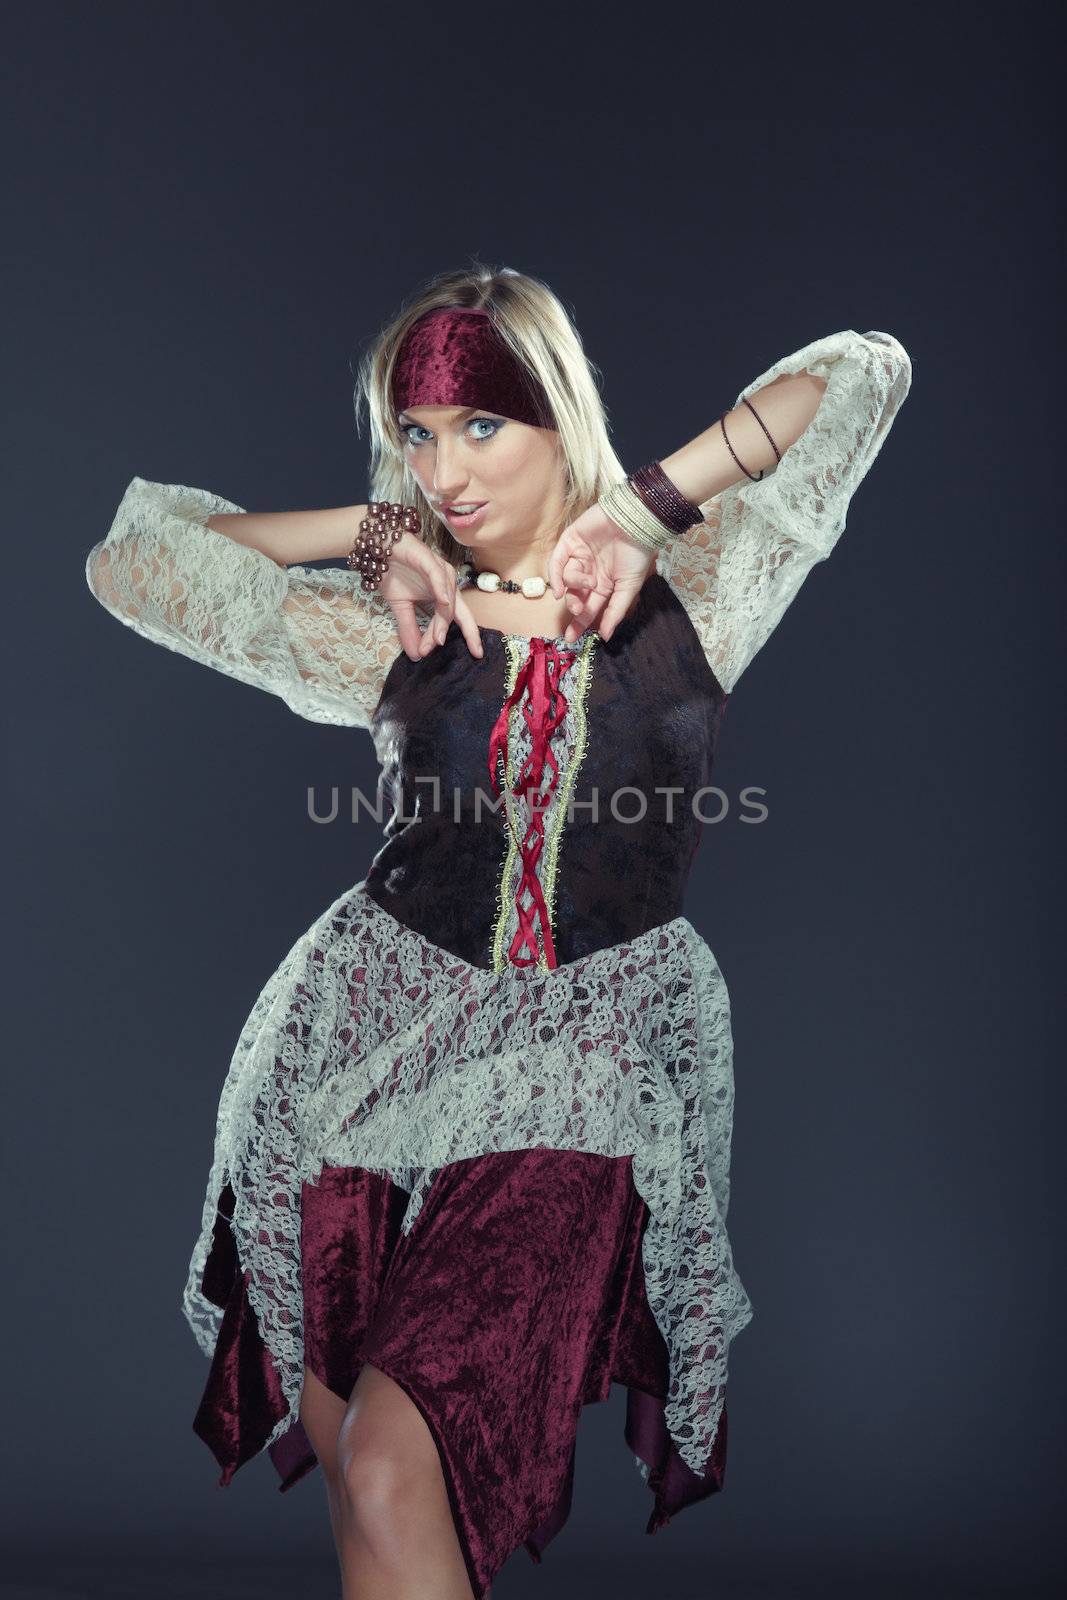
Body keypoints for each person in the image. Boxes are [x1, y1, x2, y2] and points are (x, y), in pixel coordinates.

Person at [84, 264, 912, 1600]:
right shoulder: (404, 621)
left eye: (480, 425)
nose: (445, 467)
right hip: (358, 1059)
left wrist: (649, 505)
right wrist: (370, 533)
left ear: (555, 416)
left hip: (583, 1067)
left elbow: (865, 372)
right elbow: (132, 566)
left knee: (402, 1467)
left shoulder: (699, 587)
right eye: (415, 434)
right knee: (360, 1465)